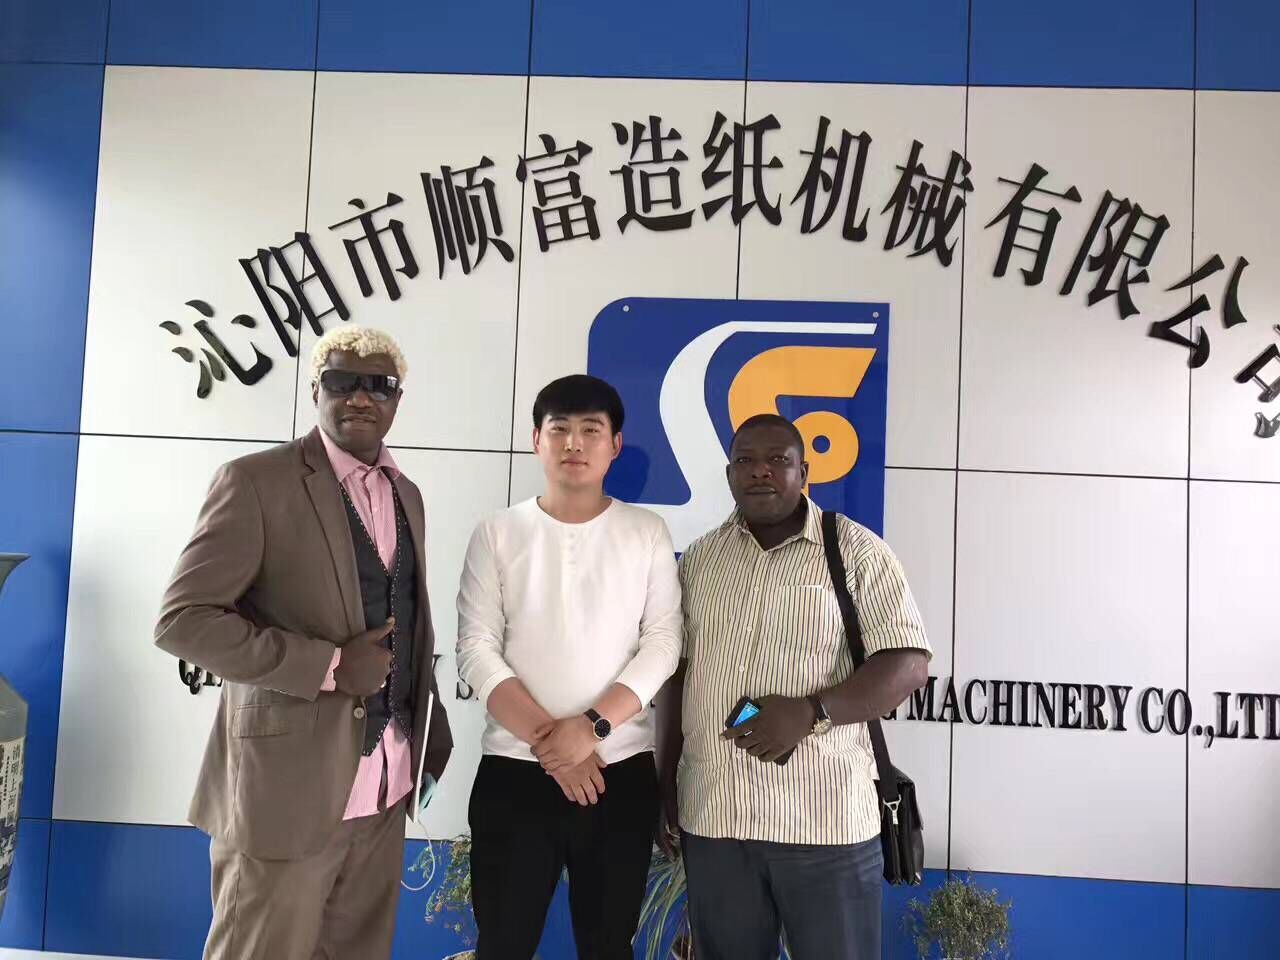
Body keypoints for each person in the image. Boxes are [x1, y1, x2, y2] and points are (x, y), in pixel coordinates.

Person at [155, 326, 452, 960]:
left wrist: (428, 711)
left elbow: (401, 610)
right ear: (316, 390)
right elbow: (183, 619)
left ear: (397, 400)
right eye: (343, 381)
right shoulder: (255, 481)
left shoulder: (408, 494)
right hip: (284, 790)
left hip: (385, 781)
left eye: (379, 385)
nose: (361, 398)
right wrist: (331, 666)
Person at [658, 413, 931, 960]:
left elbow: (907, 663)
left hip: (825, 824)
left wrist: (812, 710)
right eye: (746, 460)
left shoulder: (856, 550)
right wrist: (663, 781)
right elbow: (677, 674)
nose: (760, 471)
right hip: (717, 818)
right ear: (729, 474)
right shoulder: (701, 559)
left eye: (778, 460)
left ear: (804, 472)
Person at [456, 374, 682, 960]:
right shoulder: (497, 532)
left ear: (615, 444)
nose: (574, 443)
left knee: (608, 946)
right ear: (537, 440)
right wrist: (553, 744)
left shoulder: (646, 532)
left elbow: (662, 644)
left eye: (590, 430)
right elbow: (476, 648)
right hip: (515, 771)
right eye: (559, 429)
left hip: (617, 771)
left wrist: (591, 729)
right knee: (502, 945)